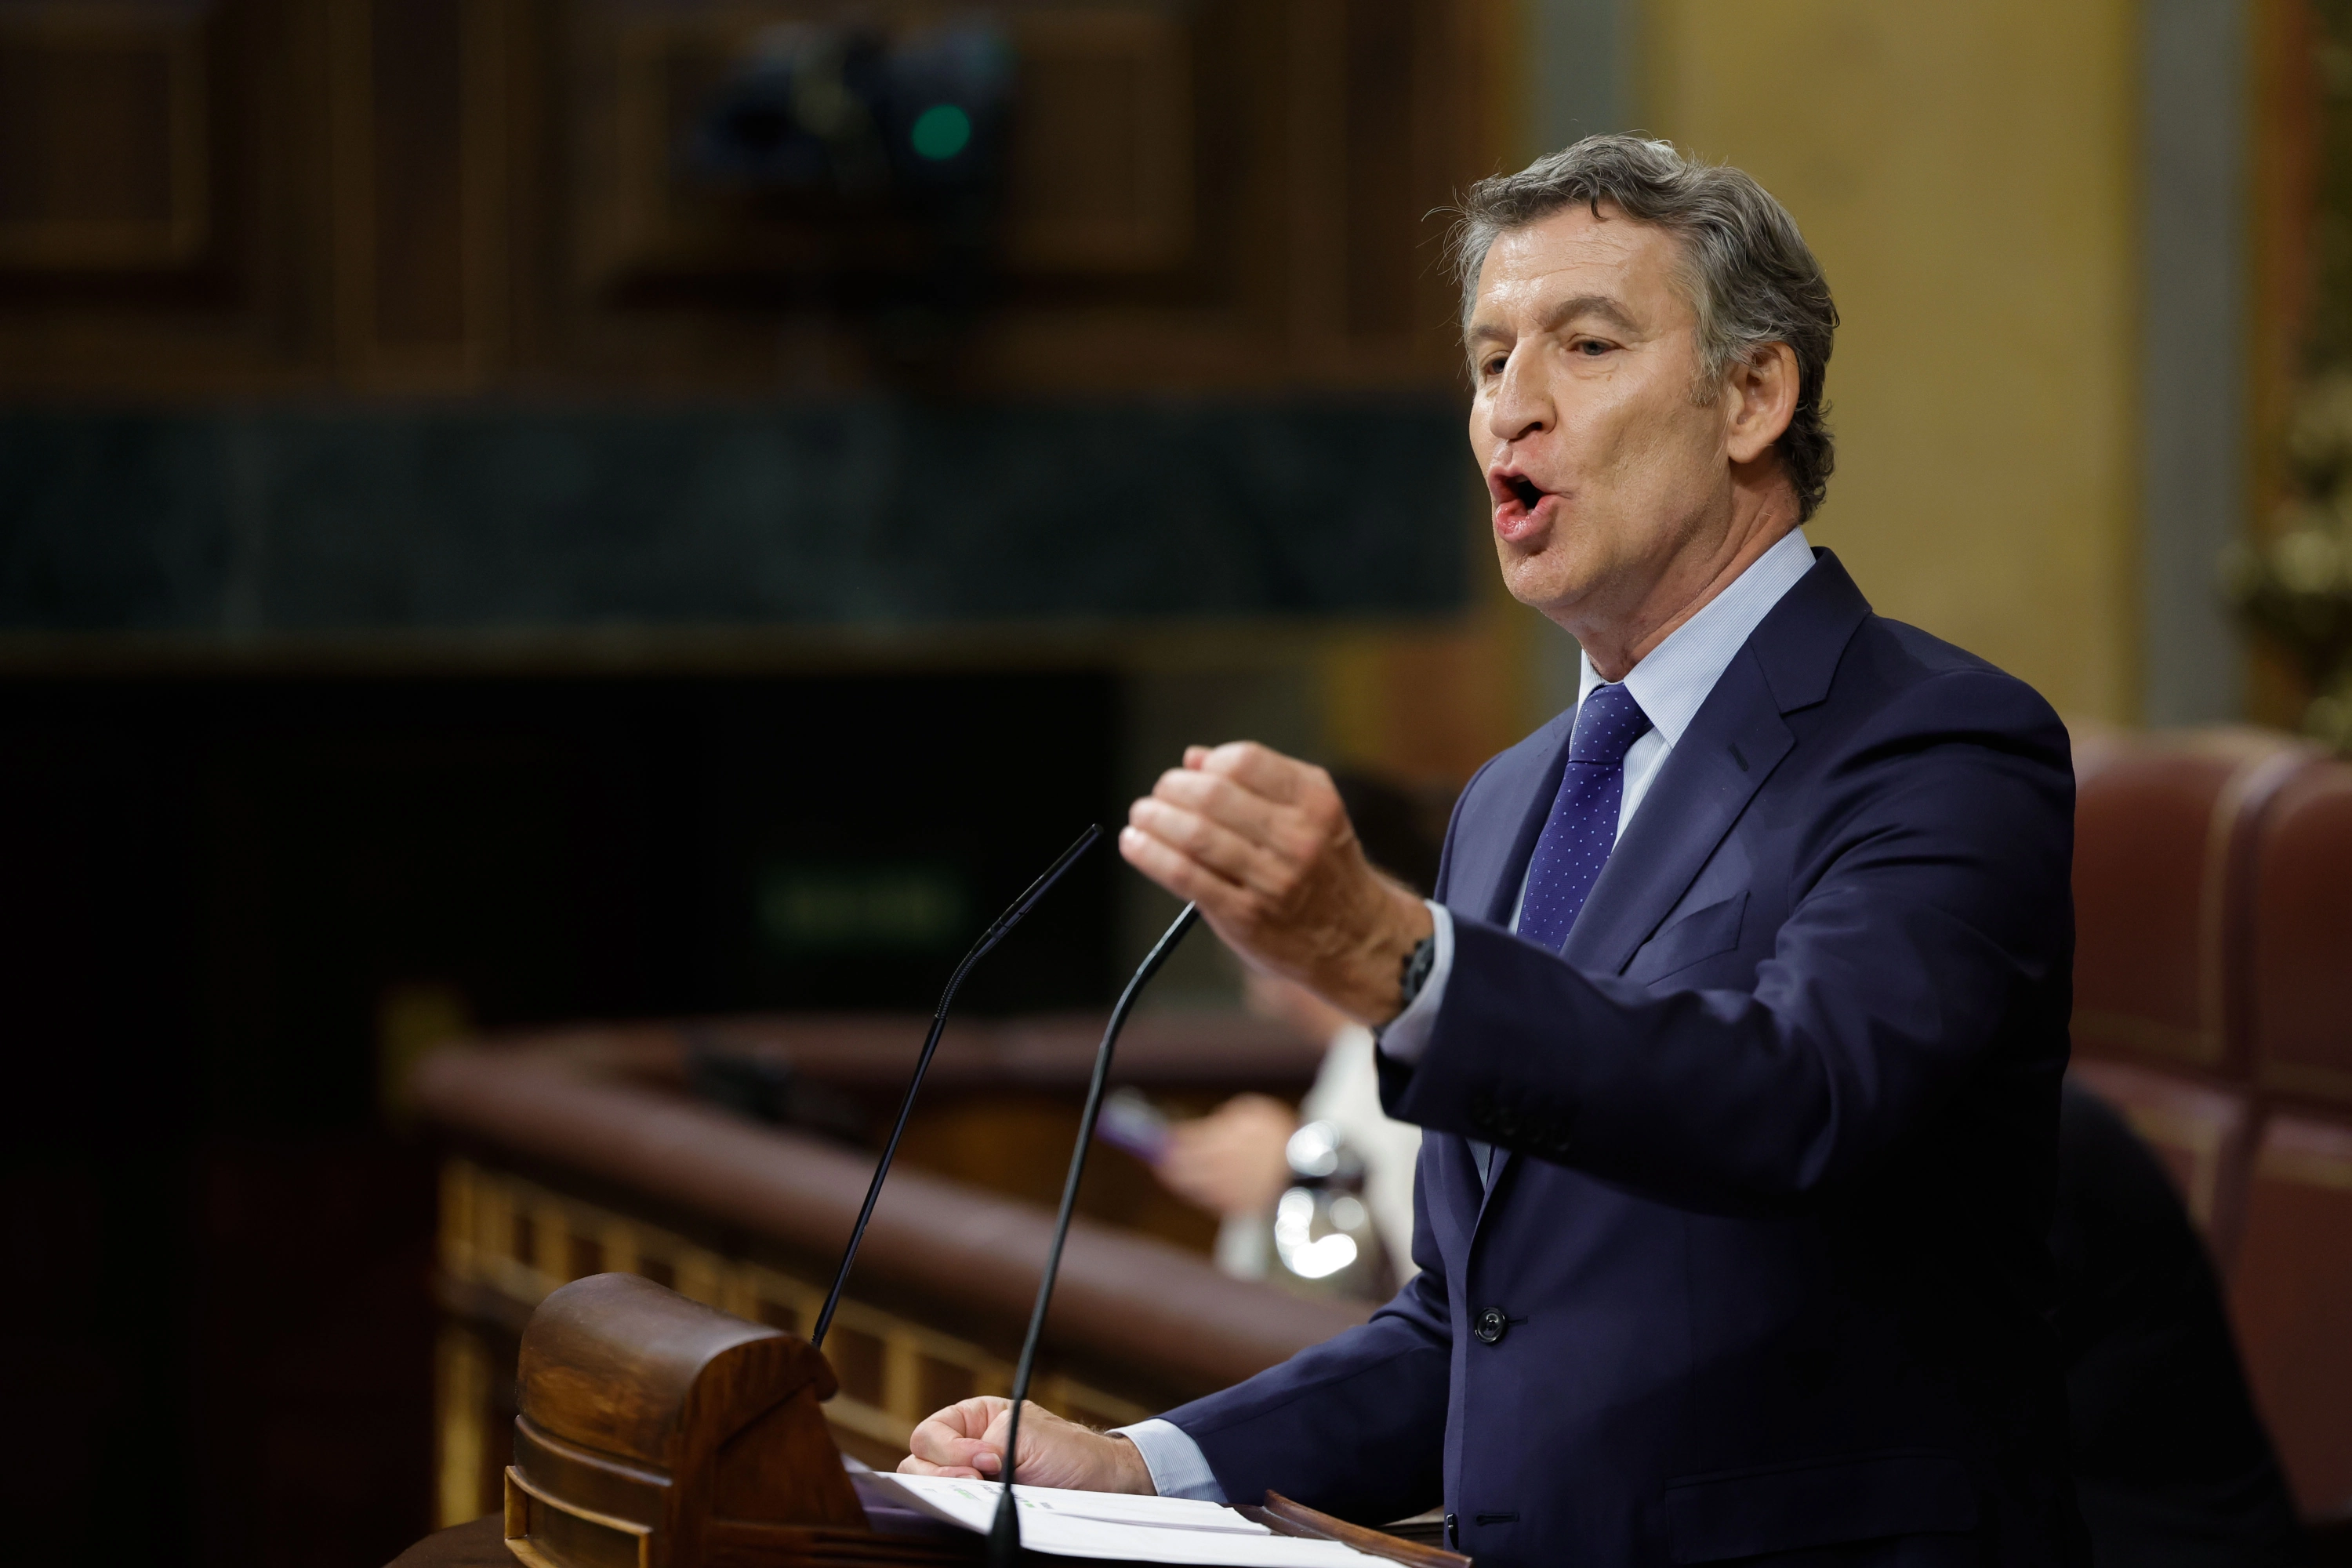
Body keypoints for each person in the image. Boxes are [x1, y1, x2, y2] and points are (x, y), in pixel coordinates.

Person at [901, 135, 2084, 1567]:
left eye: (1585, 347)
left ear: (1754, 396)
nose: (1510, 410)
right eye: (1486, 359)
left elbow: (1801, 1098)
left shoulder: (1938, 743)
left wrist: (1386, 955)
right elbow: (1471, 1327)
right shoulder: (1514, 798)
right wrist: (1147, 1463)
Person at [1150, 775, 1438, 1289]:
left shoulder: (1424, 1050)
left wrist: (1289, 1185)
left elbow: (1437, 1301)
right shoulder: (1360, 1052)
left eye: (1263, 950)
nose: (1263, 998)